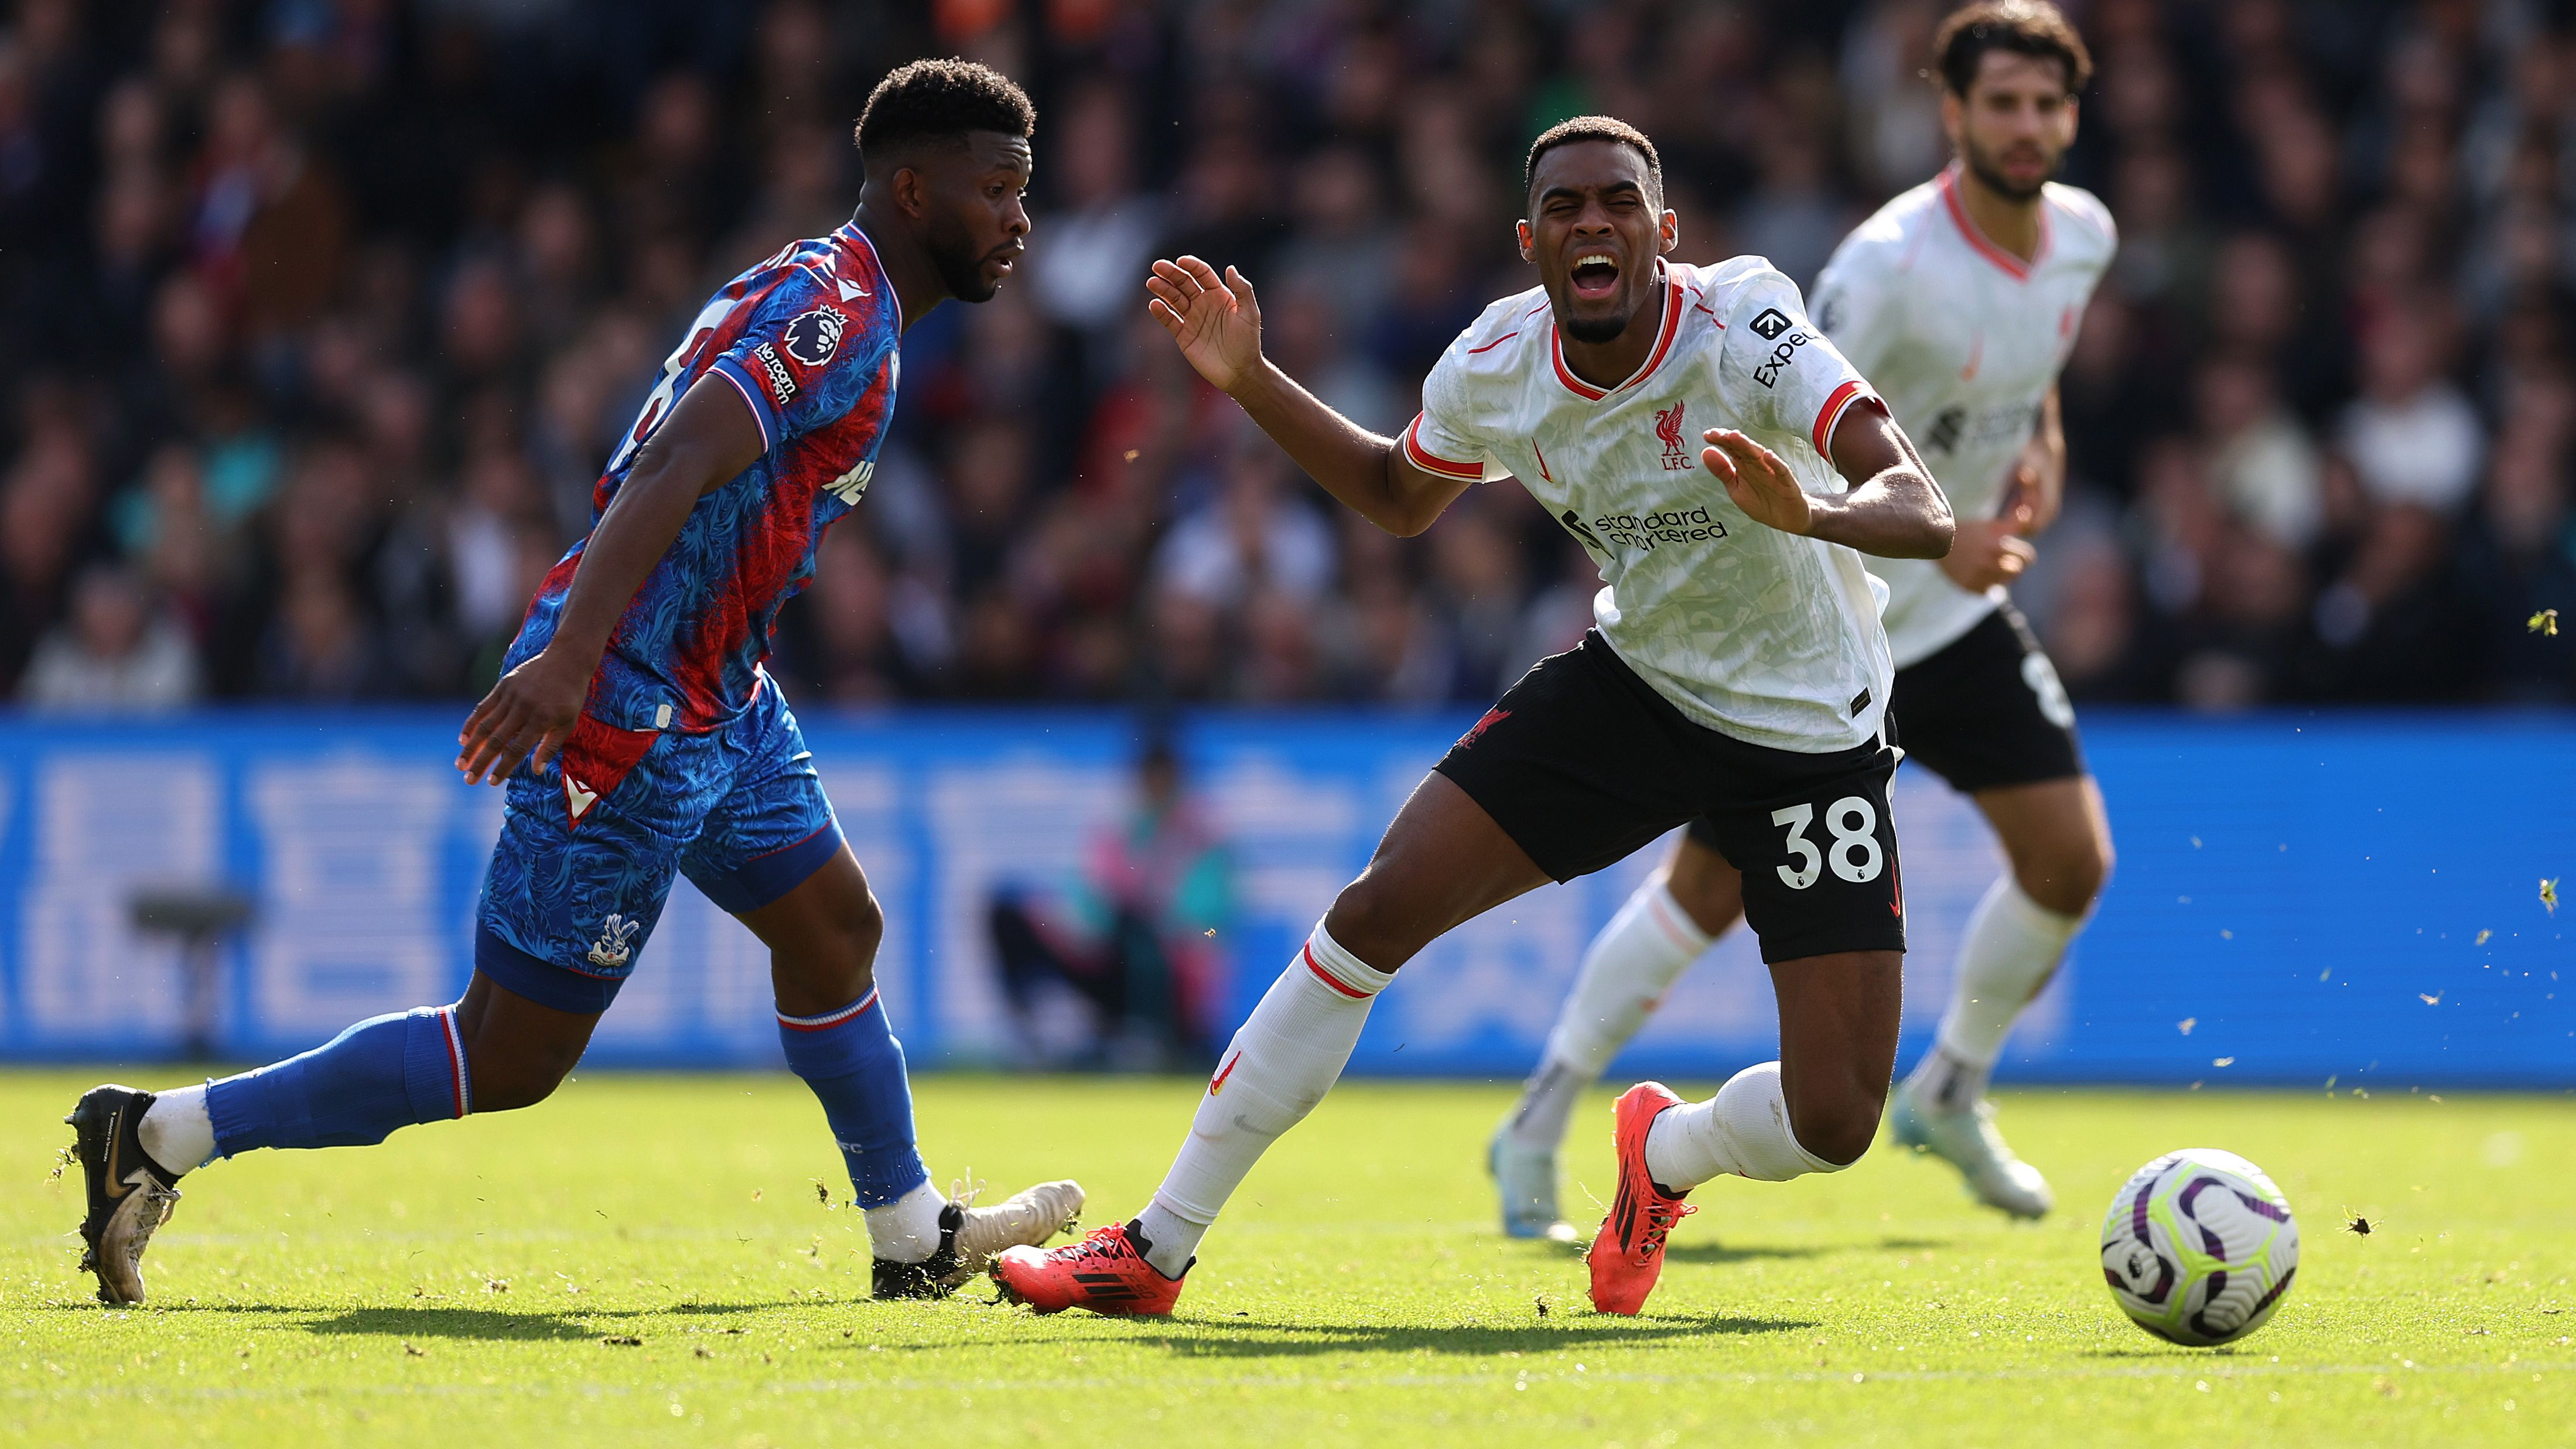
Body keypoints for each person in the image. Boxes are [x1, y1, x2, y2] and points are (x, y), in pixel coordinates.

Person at [65, 60, 1081, 1307]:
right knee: (507, 1055)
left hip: (719, 695)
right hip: (628, 701)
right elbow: (674, 463)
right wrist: (573, 659)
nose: (1019, 220)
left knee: (835, 929)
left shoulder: (834, 292)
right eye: (999, 191)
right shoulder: (837, 314)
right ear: (915, 190)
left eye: (1022, 194)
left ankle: (908, 1229)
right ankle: (158, 1134)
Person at [991, 114, 1954, 1318]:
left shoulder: (1743, 328)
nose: (1592, 223)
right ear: (1530, 241)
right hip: (1642, 686)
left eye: (1618, 203)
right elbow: (1398, 499)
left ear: (1665, 232)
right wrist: (1250, 380)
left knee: (1836, 1121)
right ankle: (1158, 1243)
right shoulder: (1496, 363)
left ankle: (1667, 1155)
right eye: (1565, 208)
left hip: (1814, 727)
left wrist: (1811, 516)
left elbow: (1922, 505)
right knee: (1373, 910)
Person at [1490, 0, 2116, 1238]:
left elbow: (2026, 382)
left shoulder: (2084, 237)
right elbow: (1794, 421)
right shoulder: (1885, 266)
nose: (2029, 126)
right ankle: (1544, 1112)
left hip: (1961, 619)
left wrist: (2036, 455)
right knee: (1700, 899)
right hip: (1823, 629)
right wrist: (1947, 523)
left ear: (2073, 115)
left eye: (2049, 105)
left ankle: (1952, 1087)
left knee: (2070, 860)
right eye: (2003, 103)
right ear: (1954, 114)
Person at [989, 736, 1232, 1068]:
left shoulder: (1204, 840)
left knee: (1138, 928)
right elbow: (1089, 902)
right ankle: (1038, 1029)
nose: (1154, 789)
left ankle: (1147, 1036)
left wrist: (1181, 931)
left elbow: (1217, 927)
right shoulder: (1121, 831)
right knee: (1006, 913)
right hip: (1113, 956)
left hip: (1174, 975)